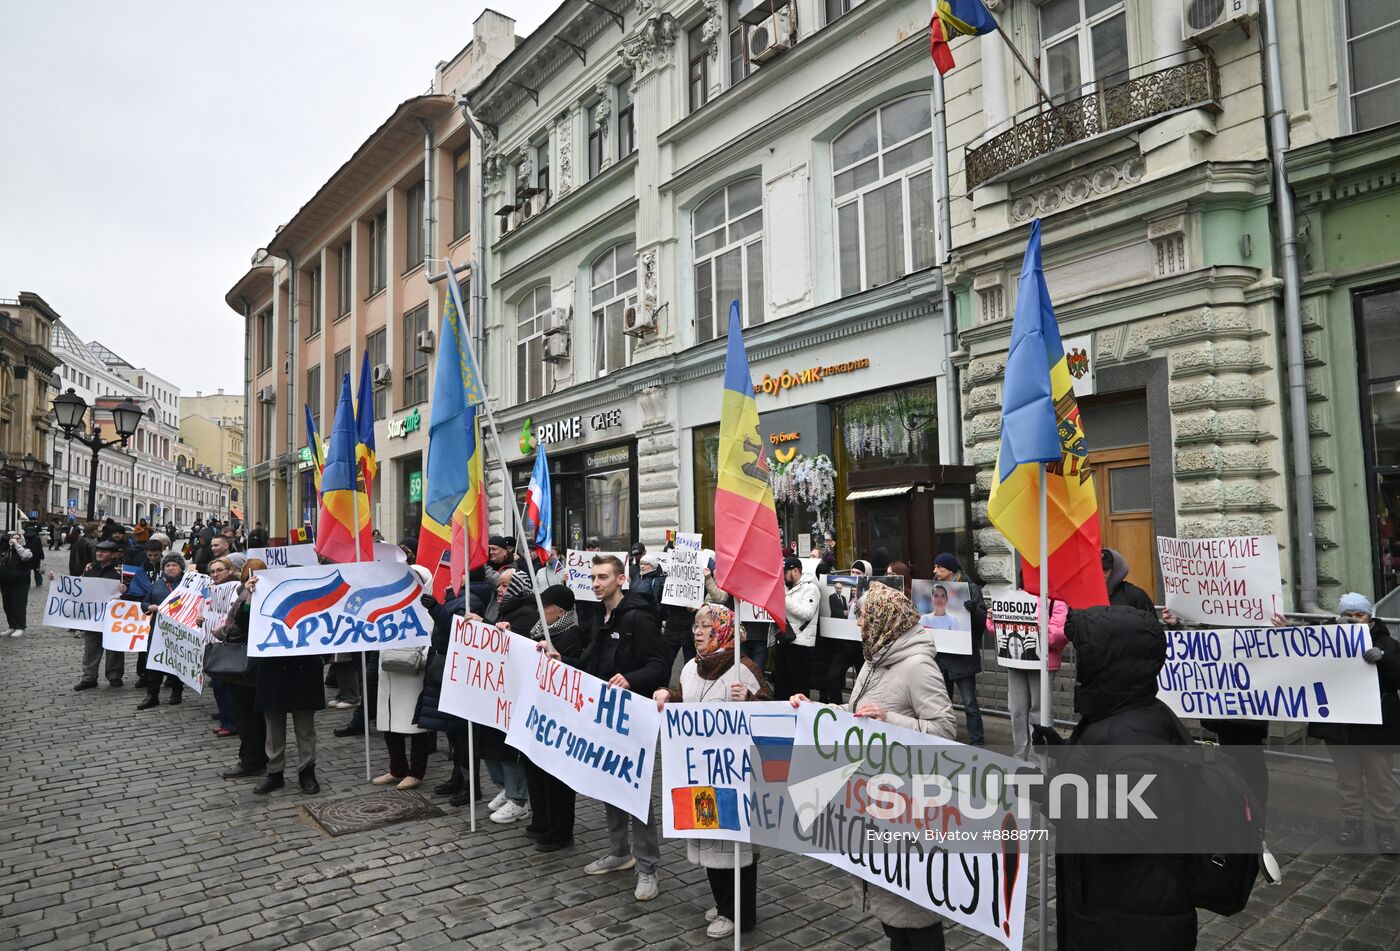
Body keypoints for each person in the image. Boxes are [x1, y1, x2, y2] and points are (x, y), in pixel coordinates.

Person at [789, 582, 955, 951]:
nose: (859, 622)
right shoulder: (873, 660)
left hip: (910, 803)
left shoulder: (918, 666)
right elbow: (853, 715)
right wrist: (814, 711)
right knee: (892, 911)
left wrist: (890, 719)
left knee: (915, 911)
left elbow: (945, 730)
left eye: (863, 615)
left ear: (884, 618)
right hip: (877, 797)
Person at [1048, 604, 1198, 951]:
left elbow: (1117, 830)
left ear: (1110, 663)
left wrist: (1051, 793)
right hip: (1114, 902)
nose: (1077, 665)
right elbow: (1103, 777)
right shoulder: (1122, 713)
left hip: (1130, 918)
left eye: (1084, 656)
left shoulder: (1132, 733)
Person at [653, 604, 771, 938]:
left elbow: (769, 712)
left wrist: (749, 699)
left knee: (734, 846)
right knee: (708, 838)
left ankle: (740, 915)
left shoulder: (742, 668)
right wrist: (670, 696)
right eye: (695, 626)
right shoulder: (692, 667)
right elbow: (689, 700)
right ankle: (724, 905)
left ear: (722, 629)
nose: (698, 631)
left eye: (706, 625)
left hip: (733, 778)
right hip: (700, 774)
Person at [568, 554, 670, 901]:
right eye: (593, 578)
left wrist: (631, 678)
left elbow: (660, 665)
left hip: (634, 718)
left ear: (620, 579)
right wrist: (558, 659)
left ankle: (647, 867)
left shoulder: (639, 618)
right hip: (604, 717)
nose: (596, 583)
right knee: (609, 785)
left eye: (602, 577)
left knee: (635, 791)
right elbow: (587, 661)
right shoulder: (598, 615)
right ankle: (619, 851)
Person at [1309, 593, 1400, 852]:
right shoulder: (1325, 642)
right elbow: (1305, 664)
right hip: (1342, 727)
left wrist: (1385, 658)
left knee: (1380, 782)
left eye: (1359, 615)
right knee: (1347, 781)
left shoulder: (1387, 643)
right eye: (1347, 615)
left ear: (1369, 616)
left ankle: (1385, 829)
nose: (1353, 620)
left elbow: (1398, 679)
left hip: (1377, 728)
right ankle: (1352, 824)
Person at [244, 570, 323, 795]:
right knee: (274, 728)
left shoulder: (312, 600)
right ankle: (274, 772)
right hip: (273, 669)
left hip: (304, 669)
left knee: (305, 728)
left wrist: (322, 656)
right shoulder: (260, 594)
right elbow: (243, 621)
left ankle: (307, 771)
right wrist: (250, 594)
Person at [524, 584, 586, 851]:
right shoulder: (540, 630)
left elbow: (580, 667)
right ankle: (541, 820)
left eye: (545, 607)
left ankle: (560, 831)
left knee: (555, 775)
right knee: (534, 767)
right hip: (538, 708)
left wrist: (559, 661)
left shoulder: (573, 634)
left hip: (559, 715)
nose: (541, 611)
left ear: (559, 611)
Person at [479, 568, 538, 822]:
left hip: (513, 694)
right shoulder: (505, 610)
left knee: (507, 747)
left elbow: (520, 649)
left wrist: (491, 629)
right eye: (499, 586)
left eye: (504, 586)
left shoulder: (526, 614)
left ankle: (519, 798)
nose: (499, 590)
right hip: (498, 691)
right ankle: (506, 787)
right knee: (491, 743)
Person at [373, 565, 434, 790]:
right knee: (388, 723)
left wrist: (418, 658)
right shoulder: (391, 604)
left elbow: (433, 642)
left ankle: (416, 772)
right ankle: (396, 768)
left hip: (412, 674)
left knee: (416, 726)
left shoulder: (429, 609)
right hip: (389, 672)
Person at [991, 596, 1068, 761]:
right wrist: (993, 619)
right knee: (1017, 710)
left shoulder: (1056, 602)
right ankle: (1019, 756)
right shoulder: (1015, 598)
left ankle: (1038, 760)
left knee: (1039, 712)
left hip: (1040, 664)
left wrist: (1040, 630)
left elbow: (1059, 637)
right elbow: (996, 630)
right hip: (1016, 661)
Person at [212, 558, 269, 780]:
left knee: (246, 716)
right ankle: (258, 756)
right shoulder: (248, 593)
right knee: (255, 716)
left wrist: (222, 632)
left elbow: (239, 627)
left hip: (244, 665)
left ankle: (251, 760)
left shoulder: (249, 595)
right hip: (255, 664)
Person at [930, 553, 986, 746]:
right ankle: (944, 738)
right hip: (942, 657)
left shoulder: (971, 589)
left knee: (969, 703)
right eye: (935, 567)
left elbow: (983, 622)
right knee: (941, 704)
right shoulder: (934, 589)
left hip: (963, 657)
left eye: (939, 567)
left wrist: (975, 611)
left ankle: (977, 742)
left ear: (951, 571)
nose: (935, 571)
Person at [65, 540, 125, 690]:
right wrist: (58, 581)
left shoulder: (121, 570)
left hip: (113, 615)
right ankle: (89, 677)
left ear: (113, 554)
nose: (99, 553)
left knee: (114, 646)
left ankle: (114, 675)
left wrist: (125, 589)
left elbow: (131, 591)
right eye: (98, 550)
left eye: (104, 551)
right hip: (93, 615)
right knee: (91, 646)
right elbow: (79, 584)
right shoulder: (90, 567)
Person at [136, 551, 187, 709]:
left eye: (174, 565)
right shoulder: (156, 584)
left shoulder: (187, 584)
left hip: (179, 631)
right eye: (167, 565)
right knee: (154, 662)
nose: (170, 568)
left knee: (176, 661)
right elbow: (144, 603)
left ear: (181, 568)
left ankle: (176, 691)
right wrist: (148, 607)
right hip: (157, 631)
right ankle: (152, 695)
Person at [775, 555, 821, 699]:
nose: (783, 577)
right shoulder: (786, 588)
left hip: (800, 643)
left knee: (798, 686)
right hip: (784, 640)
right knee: (781, 685)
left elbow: (807, 613)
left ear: (795, 571)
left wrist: (783, 600)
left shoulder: (811, 588)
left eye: (785, 573)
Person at [0, 529, 39, 638]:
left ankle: (20, 626)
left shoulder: (26, 550)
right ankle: (12, 626)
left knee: (18, 605)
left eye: (17, 538)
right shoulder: (6, 550)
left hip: (20, 582)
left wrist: (17, 545)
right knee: (8, 605)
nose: (14, 540)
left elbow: (26, 556)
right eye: (13, 538)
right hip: (6, 582)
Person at [1102, 547, 1155, 615]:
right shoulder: (1088, 593)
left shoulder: (1134, 595)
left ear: (1115, 571)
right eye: (1098, 568)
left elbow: (1151, 623)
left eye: (1105, 569)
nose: (1101, 573)